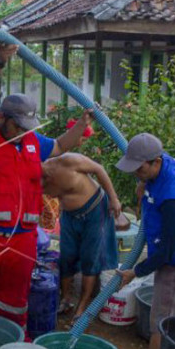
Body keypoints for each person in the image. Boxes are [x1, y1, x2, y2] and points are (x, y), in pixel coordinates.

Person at [0, 43, 92, 331]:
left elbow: (58, 146)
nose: (23, 131)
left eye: (27, 126)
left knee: (14, 302)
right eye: (17, 125)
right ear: (3, 118)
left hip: (23, 241)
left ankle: (9, 348)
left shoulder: (33, 142)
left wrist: (81, 125)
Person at [115, 133, 175, 349]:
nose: (137, 174)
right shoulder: (162, 167)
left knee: (161, 324)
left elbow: (168, 249)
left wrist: (136, 271)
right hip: (166, 248)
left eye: (140, 169)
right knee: (163, 321)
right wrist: (144, 187)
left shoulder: (172, 194)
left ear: (155, 162)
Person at [41, 115, 122, 327]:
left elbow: (99, 170)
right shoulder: (37, 180)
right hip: (69, 215)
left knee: (90, 259)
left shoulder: (68, 161)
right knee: (66, 256)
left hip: (95, 210)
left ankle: (83, 306)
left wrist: (114, 199)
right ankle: (65, 298)